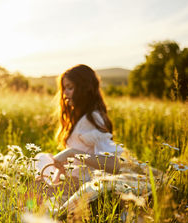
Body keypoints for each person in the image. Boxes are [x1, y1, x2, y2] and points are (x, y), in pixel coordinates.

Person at [34, 64, 123, 203]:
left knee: (35, 195)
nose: (65, 94)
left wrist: (72, 152)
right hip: (69, 178)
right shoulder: (81, 117)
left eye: (70, 88)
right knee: (41, 158)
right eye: (64, 89)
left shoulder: (92, 118)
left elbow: (114, 165)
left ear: (84, 89)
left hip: (79, 186)